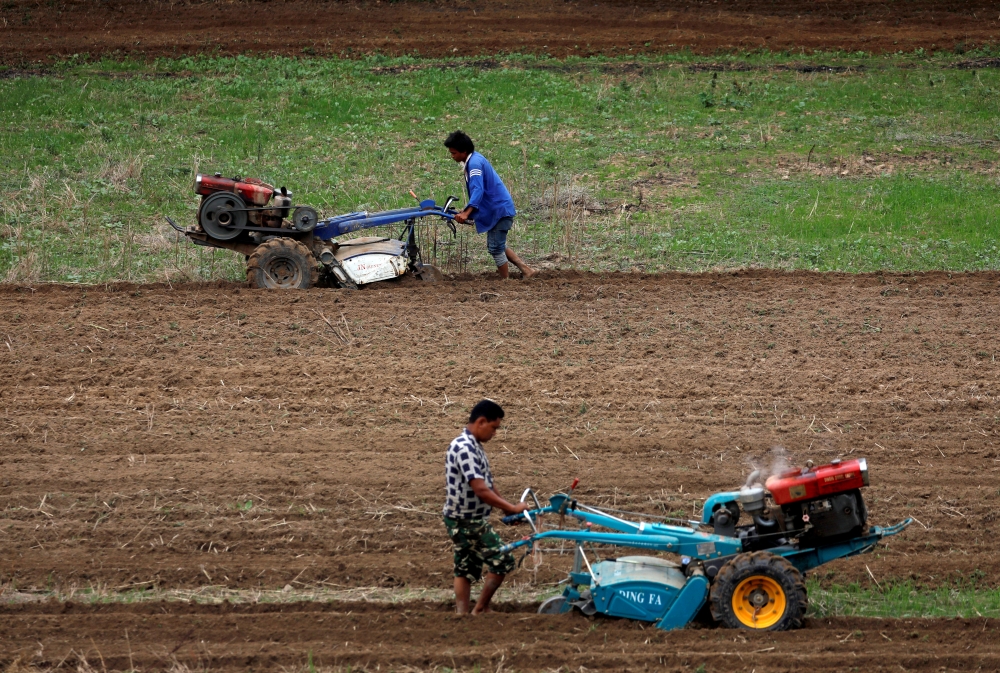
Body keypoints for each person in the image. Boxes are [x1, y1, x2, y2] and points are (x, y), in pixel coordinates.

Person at [443, 399, 530, 615]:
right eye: (494, 428)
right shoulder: (464, 448)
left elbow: (489, 485)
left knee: (465, 565)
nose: (495, 434)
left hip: (467, 517)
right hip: (465, 519)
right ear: (481, 422)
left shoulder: (475, 447)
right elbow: (480, 489)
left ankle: (463, 614)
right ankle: (480, 609)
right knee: (502, 560)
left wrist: (508, 509)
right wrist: (512, 507)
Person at [444, 131, 537, 279]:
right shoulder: (475, 159)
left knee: (495, 247)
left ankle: (505, 281)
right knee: (498, 244)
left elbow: (478, 190)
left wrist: (467, 213)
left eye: (454, 153)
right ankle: (526, 270)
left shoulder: (474, 164)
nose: (452, 156)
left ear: (464, 151)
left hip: (498, 210)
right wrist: (466, 210)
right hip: (498, 208)